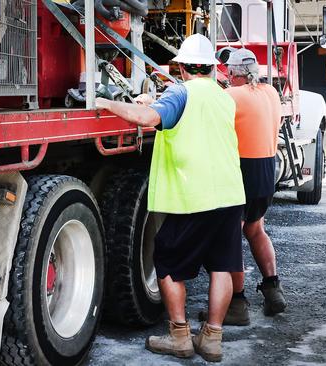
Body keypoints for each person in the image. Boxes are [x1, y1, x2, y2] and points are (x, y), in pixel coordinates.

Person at [95, 33, 245, 362]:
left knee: (166, 262)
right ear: (210, 68)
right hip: (231, 194)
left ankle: (179, 336)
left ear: (181, 67)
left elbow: (151, 119)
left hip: (195, 195)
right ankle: (212, 339)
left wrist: (106, 103)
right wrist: (157, 102)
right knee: (222, 266)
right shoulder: (224, 97)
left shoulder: (181, 91)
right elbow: (188, 115)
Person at [200, 48, 287, 326]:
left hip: (242, 171)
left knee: (230, 237)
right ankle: (273, 290)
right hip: (266, 170)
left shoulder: (230, 96)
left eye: (227, 71)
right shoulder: (272, 93)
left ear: (232, 73)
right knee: (256, 228)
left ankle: (237, 304)